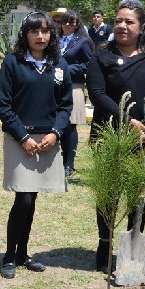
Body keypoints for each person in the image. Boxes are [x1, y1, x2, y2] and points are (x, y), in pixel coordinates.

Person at [87, 0, 145, 272]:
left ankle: (132, 247)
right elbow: (98, 94)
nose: (122, 26)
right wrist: (127, 120)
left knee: (138, 193)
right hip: (110, 132)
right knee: (108, 192)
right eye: (119, 20)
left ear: (142, 26)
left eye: (129, 21)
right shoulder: (101, 55)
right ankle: (105, 244)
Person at [0, 11, 73, 279]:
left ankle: (22, 253)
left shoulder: (59, 65)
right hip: (21, 140)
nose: (40, 36)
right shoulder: (12, 63)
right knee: (23, 198)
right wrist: (24, 137)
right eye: (34, 31)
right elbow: (4, 106)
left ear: (52, 35)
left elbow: (65, 106)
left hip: (48, 141)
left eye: (45, 31)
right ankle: (9, 255)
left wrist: (55, 133)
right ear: (25, 35)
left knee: (32, 199)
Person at [58, 10, 93, 178]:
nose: (68, 25)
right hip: (55, 87)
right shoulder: (56, 40)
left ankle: (69, 164)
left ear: (77, 24)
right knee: (57, 124)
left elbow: (89, 64)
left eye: (72, 22)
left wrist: (68, 70)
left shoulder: (83, 41)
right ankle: (57, 162)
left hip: (74, 86)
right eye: (65, 22)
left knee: (70, 126)